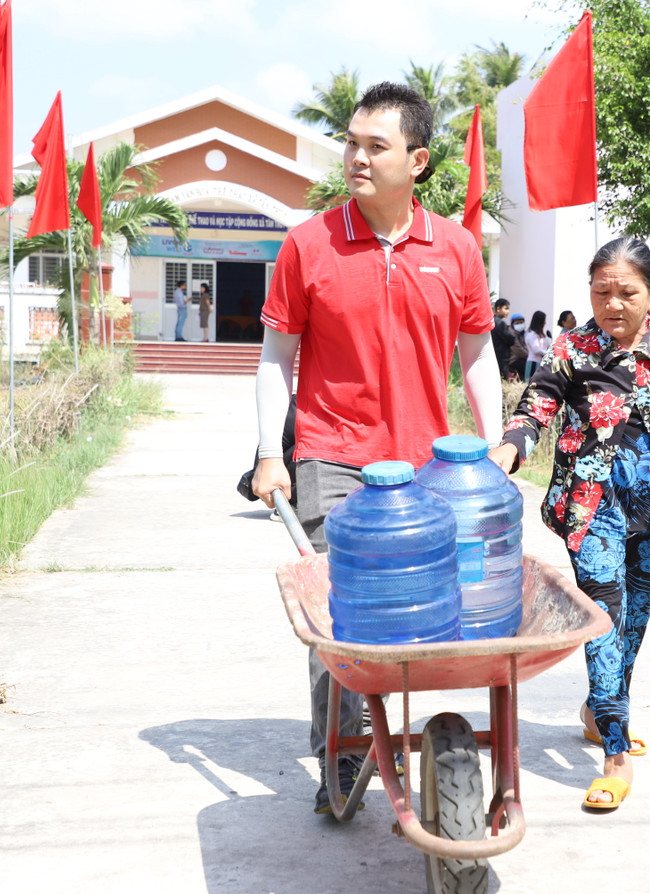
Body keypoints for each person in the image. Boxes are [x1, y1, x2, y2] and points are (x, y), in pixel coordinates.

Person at [251, 82, 503, 814]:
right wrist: (274, 452)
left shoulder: (455, 248)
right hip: (332, 457)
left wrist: (486, 449)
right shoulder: (309, 244)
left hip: (430, 469)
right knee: (338, 616)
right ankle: (343, 750)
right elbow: (276, 357)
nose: (355, 158)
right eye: (351, 144)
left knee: (427, 609)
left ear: (418, 160)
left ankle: (413, 736)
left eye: (375, 146)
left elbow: (478, 357)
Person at [488, 237, 650, 812]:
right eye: (602, 292)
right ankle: (615, 754)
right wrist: (510, 448)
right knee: (605, 616)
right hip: (590, 505)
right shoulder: (572, 347)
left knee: (634, 623)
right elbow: (537, 405)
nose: (613, 304)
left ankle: (599, 712)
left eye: (627, 293)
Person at [491, 298, 515, 377]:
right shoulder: (500, 323)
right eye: (506, 308)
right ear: (498, 308)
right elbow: (510, 339)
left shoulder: (492, 321)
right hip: (502, 356)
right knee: (502, 378)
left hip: (494, 354)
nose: (508, 311)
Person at [524, 310, 552, 379]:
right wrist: (547, 354)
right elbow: (536, 350)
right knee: (531, 383)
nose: (545, 322)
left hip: (541, 363)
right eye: (544, 320)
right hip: (533, 362)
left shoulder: (542, 335)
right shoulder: (531, 335)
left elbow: (548, 347)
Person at [507, 312, 528, 380]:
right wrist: (528, 355)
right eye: (517, 323)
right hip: (514, 360)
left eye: (521, 322)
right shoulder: (511, 334)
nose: (520, 325)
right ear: (512, 324)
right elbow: (518, 350)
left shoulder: (523, 333)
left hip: (522, 358)